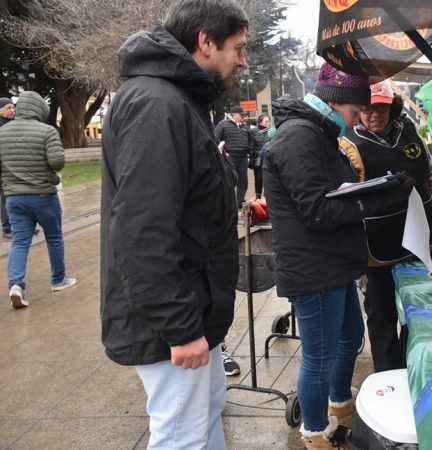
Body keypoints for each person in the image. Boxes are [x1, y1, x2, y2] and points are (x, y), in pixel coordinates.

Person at [99, 0, 246, 447]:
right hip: (171, 325)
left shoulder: (178, 100)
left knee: (204, 423)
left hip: (191, 312)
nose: (243, 60)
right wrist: (180, 328)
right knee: (182, 437)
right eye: (238, 48)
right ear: (205, 42)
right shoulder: (157, 104)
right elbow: (142, 232)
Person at [262, 63, 414, 450]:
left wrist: (375, 189)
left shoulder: (319, 131)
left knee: (349, 336)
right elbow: (317, 209)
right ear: (337, 100)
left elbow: (334, 192)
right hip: (314, 268)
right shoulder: (299, 136)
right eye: (354, 110)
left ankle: (339, 410)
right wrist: (373, 200)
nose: (358, 118)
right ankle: (315, 433)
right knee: (319, 355)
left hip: (333, 263)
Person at [341, 80, 432, 372]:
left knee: (418, 314)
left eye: (381, 107)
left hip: (418, 242)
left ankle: (413, 372)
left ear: (393, 107)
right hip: (376, 249)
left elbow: (430, 178)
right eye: (367, 107)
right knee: (382, 317)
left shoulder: (409, 131)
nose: (374, 114)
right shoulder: (348, 145)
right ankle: (389, 381)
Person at [0, 91, 77, 309]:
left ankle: (16, 285)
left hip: (14, 199)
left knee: (20, 241)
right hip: (43, 196)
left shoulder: (2, 133)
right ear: (39, 108)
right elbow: (57, 162)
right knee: (53, 237)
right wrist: (50, 176)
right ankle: (58, 279)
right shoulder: (47, 131)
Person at [216, 105, 254, 207]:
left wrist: (249, 151)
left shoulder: (245, 127)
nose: (243, 117)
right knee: (229, 179)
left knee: (243, 181)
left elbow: (251, 140)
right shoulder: (223, 125)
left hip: (243, 157)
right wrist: (224, 152)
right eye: (241, 115)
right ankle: (229, 202)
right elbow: (216, 138)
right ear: (234, 115)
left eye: (243, 115)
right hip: (230, 157)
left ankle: (240, 202)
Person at [0, 97, 14, 239]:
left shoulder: (10, 124)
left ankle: (20, 226)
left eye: (12, 107)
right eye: (8, 108)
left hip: (11, 168)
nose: (12, 110)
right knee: (5, 198)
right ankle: (7, 228)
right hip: (3, 170)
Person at [250, 114, 272, 199]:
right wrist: (251, 156)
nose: (268, 123)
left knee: (268, 178)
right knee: (258, 179)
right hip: (258, 158)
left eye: (269, 121)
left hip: (268, 157)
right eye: (266, 121)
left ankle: (268, 197)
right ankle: (258, 196)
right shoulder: (253, 131)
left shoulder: (272, 131)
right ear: (260, 122)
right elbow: (251, 145)